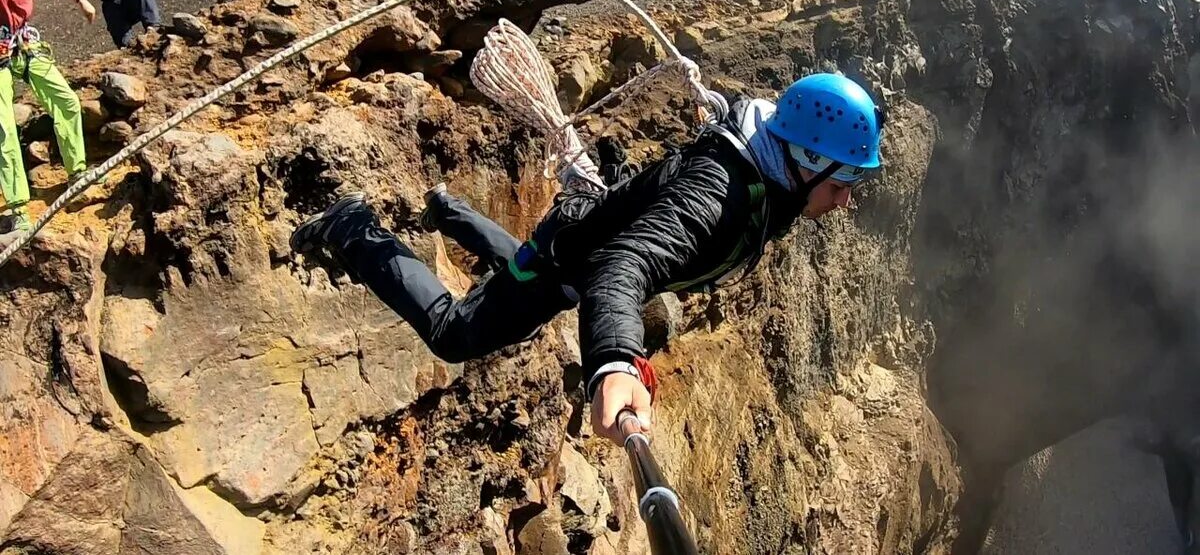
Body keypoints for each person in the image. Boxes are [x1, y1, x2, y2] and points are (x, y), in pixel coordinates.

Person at [291, 73, 885, 445]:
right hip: (572, 259)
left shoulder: (768, 170)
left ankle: (449, 210)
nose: (846, 200)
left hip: (578, 248)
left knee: (532, 275)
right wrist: (616, 360)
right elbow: (624, 264)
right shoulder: (720, 194)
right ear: (807, 160)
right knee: (458, 331)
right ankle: (354, 228)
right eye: (843, 183)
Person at [0, 0, 96, 235]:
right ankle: (17, 210)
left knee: (66, 100)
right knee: (3, 129)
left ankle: (77, 174)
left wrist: (81, 0)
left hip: (25, 44)